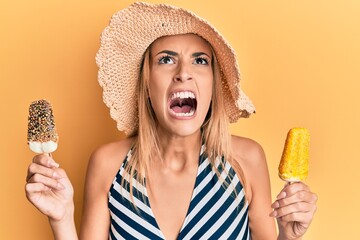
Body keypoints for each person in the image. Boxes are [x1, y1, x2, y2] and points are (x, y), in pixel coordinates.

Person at [25, 2, 317, 240]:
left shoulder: (246, 161)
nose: (183, 72)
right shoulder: (107, 164)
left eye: (200, 60)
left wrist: (289, 237)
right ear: (147, 85)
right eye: (166, 59)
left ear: (213, 85)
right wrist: (61, 219)